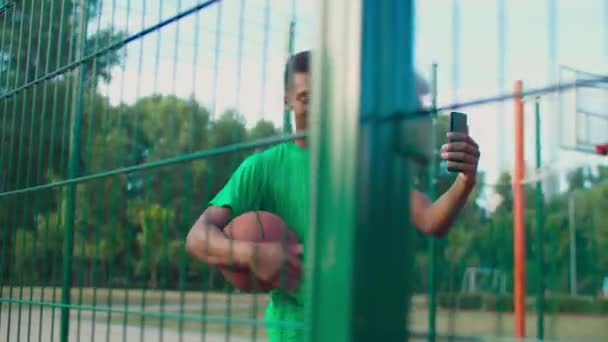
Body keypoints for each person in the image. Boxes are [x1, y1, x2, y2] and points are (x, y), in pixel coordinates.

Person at [186, 50, 480, 341]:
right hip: (293, 333)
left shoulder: (358, 165)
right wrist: (252, 253)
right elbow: (197, 238)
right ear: (287, 100)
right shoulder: (261, 168)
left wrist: (465, 180)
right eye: (306, 98)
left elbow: (431, 221)